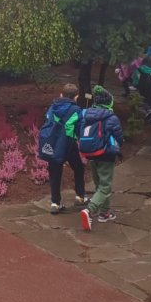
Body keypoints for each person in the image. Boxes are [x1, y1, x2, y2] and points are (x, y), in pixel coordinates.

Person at [79, 86, 124, 231]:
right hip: (106, 154)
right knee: (105, 186)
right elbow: (119, 137)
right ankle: (89, 210)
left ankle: (105, 213)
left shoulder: (86, 115)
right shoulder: (111, 117)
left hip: (91, 153)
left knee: (100, 185)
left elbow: (80, 132)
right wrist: (119, 147)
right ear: (109, 102)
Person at [44, 83, 88, 214]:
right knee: (79, 168)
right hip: (68, 144)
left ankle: (55, 203)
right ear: (76, 97)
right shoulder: (76, 110)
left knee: (55, 173)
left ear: (61, 94)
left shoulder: (52, 107)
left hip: (53, 143)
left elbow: (48, 121)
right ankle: (80, 196)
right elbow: (79, 130)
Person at [132, 53, 151, 124]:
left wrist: (136, 86)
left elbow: (135, 81)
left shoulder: (139, 69)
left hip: (144, 88)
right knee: (150, 104)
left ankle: (150, 115)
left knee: (144, 102)